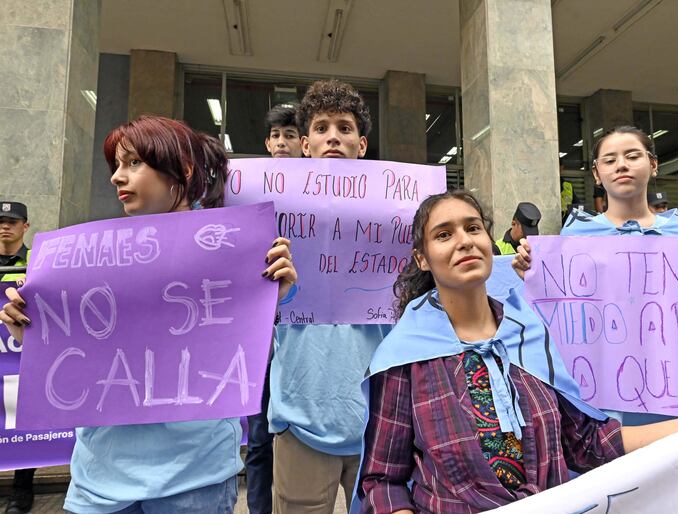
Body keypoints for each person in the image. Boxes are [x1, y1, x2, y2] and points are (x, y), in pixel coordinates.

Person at [0, 116, 297, 514]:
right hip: (98, 481)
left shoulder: (234, 252)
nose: (117, 178)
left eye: (133, 163)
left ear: (183, 170)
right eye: (116, 166)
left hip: (195, 481)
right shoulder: (86, 256)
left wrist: (267, 300)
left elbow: (248, 357)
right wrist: (31, 333)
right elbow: (75, 356)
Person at [354, 190, 678, 513]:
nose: (464, 241)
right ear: (422, 259)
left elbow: (587, 443)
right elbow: (382, 480)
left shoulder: (532, 336)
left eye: (473, 228)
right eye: (444, 234)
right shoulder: (403, 358)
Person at [514, 126, 678, 426]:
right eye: (609, 160)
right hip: (600, 388)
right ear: (597, 174)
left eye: (632, 156)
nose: (621, 165)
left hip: (668, 384)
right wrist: (534, 280)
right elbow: (563, 313)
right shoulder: (575, 236)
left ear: (653, 164)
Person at [268, 80, 389, 514]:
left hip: (378, 421)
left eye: (344, 127)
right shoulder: (270, 215)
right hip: (300, 417)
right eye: (321, 128)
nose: (333, 136)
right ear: (304, 144)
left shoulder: (394, 219)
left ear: (362, 144)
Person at [244, 104, 302, 514]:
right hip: (263, 333)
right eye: (275, 136)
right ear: (267, 143)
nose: (282, 142)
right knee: (260, 438)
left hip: (307, 333)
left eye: (289, 135)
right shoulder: (246, 193)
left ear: (303, 143)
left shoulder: (328, 195)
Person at [0, 201, 34, 514]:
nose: (5, 226)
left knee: (24, 422)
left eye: (12, 221)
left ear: (25, 226)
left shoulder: (37, 263)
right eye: (0, 221)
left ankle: (22, 491)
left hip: (19, 359)